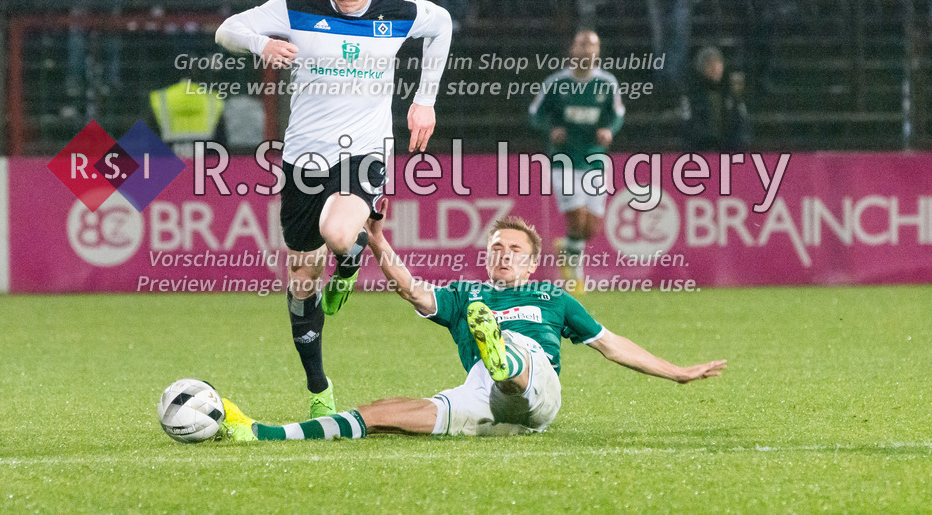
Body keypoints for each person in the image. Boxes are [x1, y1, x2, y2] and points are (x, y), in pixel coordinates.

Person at [215, 204, 726, 441]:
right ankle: (264, 434)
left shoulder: (552, 297)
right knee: (380, 413)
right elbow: (413, 289)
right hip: (484, 392)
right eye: (496, 249)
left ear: (530, 265)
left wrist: (677, 371)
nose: (503, 256)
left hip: (538, 385)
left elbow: (614, 345)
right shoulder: (464, 295)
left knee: (515, 357)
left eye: (514, 252)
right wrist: (375, 238)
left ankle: (503, 353)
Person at [214, 0, 452, 419]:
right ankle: (318, 385)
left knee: (339, 233)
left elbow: (443, 24)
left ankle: (348, 261)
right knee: (302, 277)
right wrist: (262, 46)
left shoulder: (398, 10)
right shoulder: (298, 5)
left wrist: (424, 101)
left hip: (363, 152)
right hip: (304, 159)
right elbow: (227, 30)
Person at [528, 30, 625, 289]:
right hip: (565, 160)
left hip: (595, 159)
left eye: (593, 46)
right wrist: (551, 129)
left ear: (598, 52)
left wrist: (609, 130)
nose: (587, 50)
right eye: (582, 45)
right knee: (577, 217)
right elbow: (535, 113)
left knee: (591, 228)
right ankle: (574, 272)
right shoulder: (556, 82)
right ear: (572, 50)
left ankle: (568, 248)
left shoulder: (606, 83)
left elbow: (617, 114)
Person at [680, 47, 750, 151]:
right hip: (701, 149)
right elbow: (688, 125)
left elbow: (740, 121)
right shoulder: (692, 94)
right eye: (710, 65)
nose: (715, 68)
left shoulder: (730, 92)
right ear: (701, 68)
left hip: (728, 149)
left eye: (718, 64)